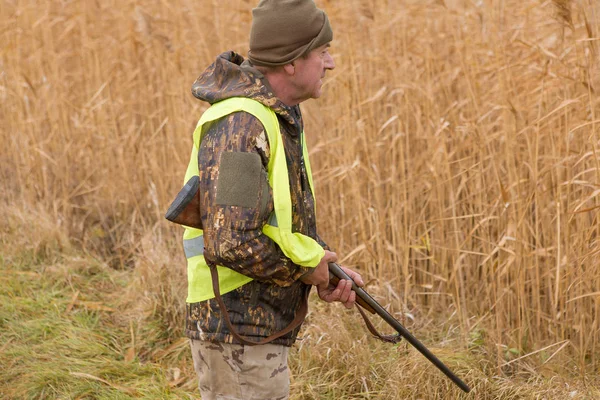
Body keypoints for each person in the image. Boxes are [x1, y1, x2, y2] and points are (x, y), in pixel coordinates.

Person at [180, 1, 364, 398]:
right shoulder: (242, 124)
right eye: (322, 51)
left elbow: (275, 222)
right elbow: (231, 240)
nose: (330, 63)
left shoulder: (275, 117)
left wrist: (324, 266)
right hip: (235, 327)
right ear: (292, 62)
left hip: (250, 327)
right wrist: (302, 270)